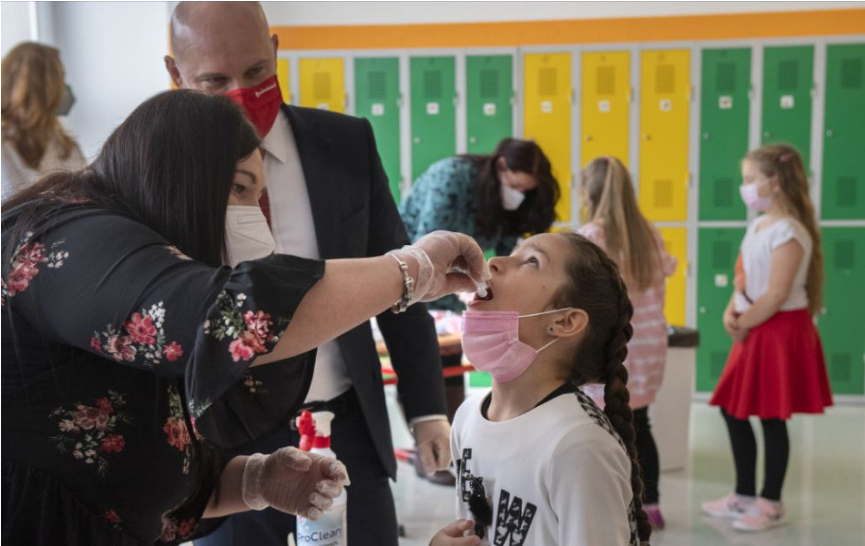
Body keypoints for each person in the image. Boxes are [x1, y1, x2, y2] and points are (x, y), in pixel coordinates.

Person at [1, 89, 488, 546]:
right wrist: (408, 270)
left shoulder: (139, 271)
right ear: (179, 177)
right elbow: (229, 322)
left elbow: (131, 465)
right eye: (237, 189)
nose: (253, 217)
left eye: (257, 196)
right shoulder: (64, 240)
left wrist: (253, 481)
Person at [163, 4, 452, 544]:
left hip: (347, 432)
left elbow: (397, 280)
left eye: (255, 72)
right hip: (227, 445)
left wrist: (428, 409)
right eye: (214, 80)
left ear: (275, 50)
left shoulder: (344, 145)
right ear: (176, 76)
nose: (241, 94)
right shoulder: (160, 176)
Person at [431, 232, 652, 546]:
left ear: (564, 322)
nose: (493, 262)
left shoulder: (578, 446)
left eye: (531, 261)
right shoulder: (467, 418)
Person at [399, 138, 560, 457]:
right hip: (410, 275)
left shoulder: (503, 198)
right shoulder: (452, 180)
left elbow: (505, 251)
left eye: (527, 191)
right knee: (422, 357)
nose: (520, 196)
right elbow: (427, 258)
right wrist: (461, 301)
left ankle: (453, 446)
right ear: (501, 167)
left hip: (446, 277)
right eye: (516, 185)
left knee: (450, 359)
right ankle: (429, 450)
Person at [702, 144, 833, 532]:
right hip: (754, 325)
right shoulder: (757, 226)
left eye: (749, 180)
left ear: (774, 183)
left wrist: (745, 322)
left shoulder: (789, 231)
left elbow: (776, 294)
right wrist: (731, 311)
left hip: (777, 330)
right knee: (733, 408)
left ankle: (770, 502)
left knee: (772, 417)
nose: (745, 188)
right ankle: (743, 494)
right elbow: (745, 281)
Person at [577, 156, 677, 529]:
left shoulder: (591, 236)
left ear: (590, 191)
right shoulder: (647, 231)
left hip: (618, 344)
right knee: (640, 422)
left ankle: (615, 503)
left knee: (607, 426)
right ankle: (651, 505)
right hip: (651, 341)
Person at [1, 42, 85, 202]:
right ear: (44, 87)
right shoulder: (4, 145)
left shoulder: (65, 144)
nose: (65, 88)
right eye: (60, 78)